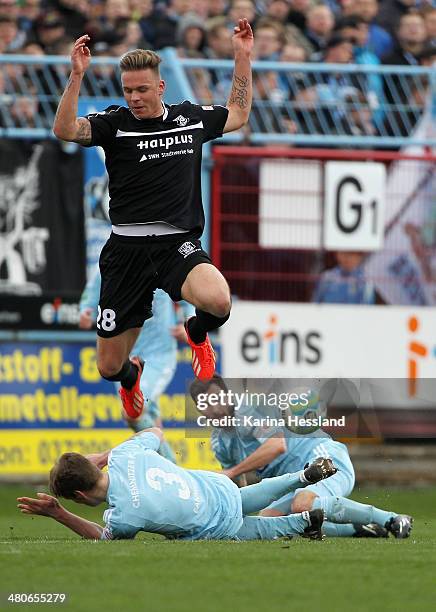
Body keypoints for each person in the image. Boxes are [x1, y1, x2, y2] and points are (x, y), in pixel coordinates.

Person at [52, 20, 253, 421]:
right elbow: (65, 129)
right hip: (125, 250)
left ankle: (197, 334)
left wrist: (242, 56)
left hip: (174, 244)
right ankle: (132, 379)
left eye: (142, 89)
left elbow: (238, 113)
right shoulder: (114, 124)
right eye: (128, 91)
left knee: (218, 301)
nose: (135, 98)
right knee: (108, 367)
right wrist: (76, 76)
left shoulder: (189, 119)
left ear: (160, 87)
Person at [190, 376, 413, 539]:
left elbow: (277, 445)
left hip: (322, 458)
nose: (214, 408)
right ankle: (358, 530)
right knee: (270, 521)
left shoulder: (247, 412)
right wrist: (231, 514)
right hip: (299, 478)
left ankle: (391, 518)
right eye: (206, 404)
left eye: (216, 399)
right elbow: (238, 484)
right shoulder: (219, 442)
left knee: (302, 503)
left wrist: (232, 471)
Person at [16, 428, 337, 541]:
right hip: (216, 486)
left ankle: (303, 522)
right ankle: (301, 477)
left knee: (255, 530)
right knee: (245, 497)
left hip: (213, 526)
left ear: (80, 495)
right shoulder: (126, 454)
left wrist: (60, 514)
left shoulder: (123, 516)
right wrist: (103, 454)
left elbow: (103, 537)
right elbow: (155, 432)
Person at [79, 265, 195, 462]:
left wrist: (190, 325)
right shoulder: (116, 261)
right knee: (148, 416)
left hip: (159, 355)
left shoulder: (163, 264)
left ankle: (171, 465)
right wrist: (85, 310)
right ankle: (166, 474)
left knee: (133, 413)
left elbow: (188, 295)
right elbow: (92, 291)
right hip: (124, 356)